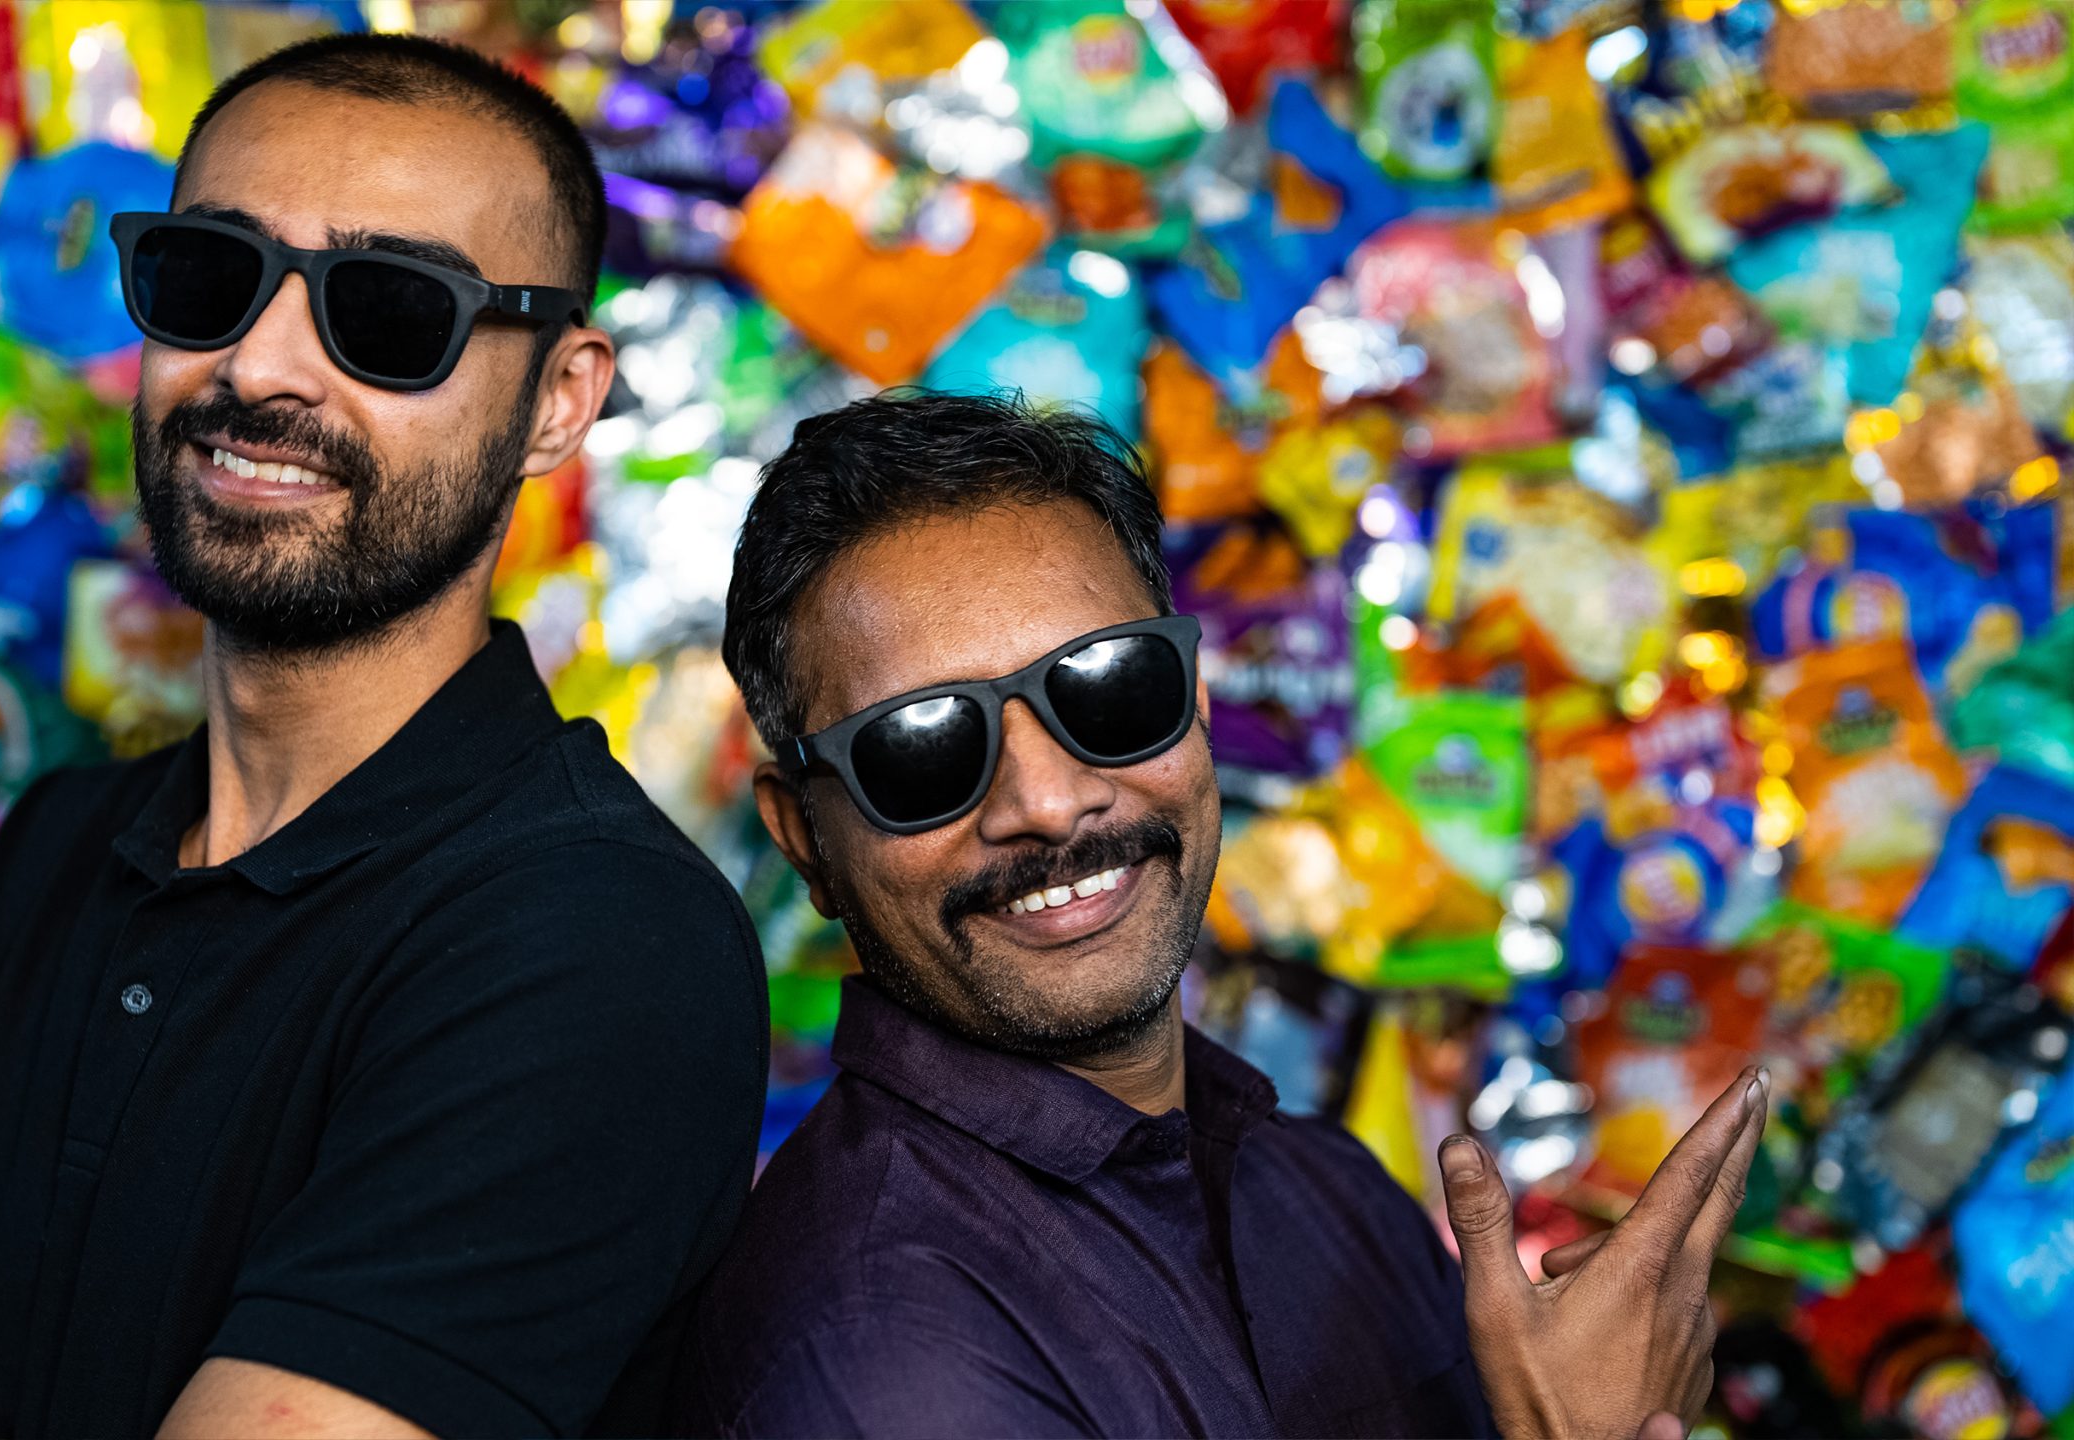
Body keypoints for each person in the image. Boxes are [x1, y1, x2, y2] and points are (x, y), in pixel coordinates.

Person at [0, 33, 768, 1440]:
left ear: (559, 401)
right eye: (209, 277)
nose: (259, 366)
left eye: (392, 310)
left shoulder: (598, 940)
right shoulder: (58, 843)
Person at [676, 391, 1768, 1439]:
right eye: (922, 747)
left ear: (1194, 707)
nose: (1049, 804)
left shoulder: (1319, 1188)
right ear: (804, 839)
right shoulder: (880, 1350)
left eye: (1109, 686)